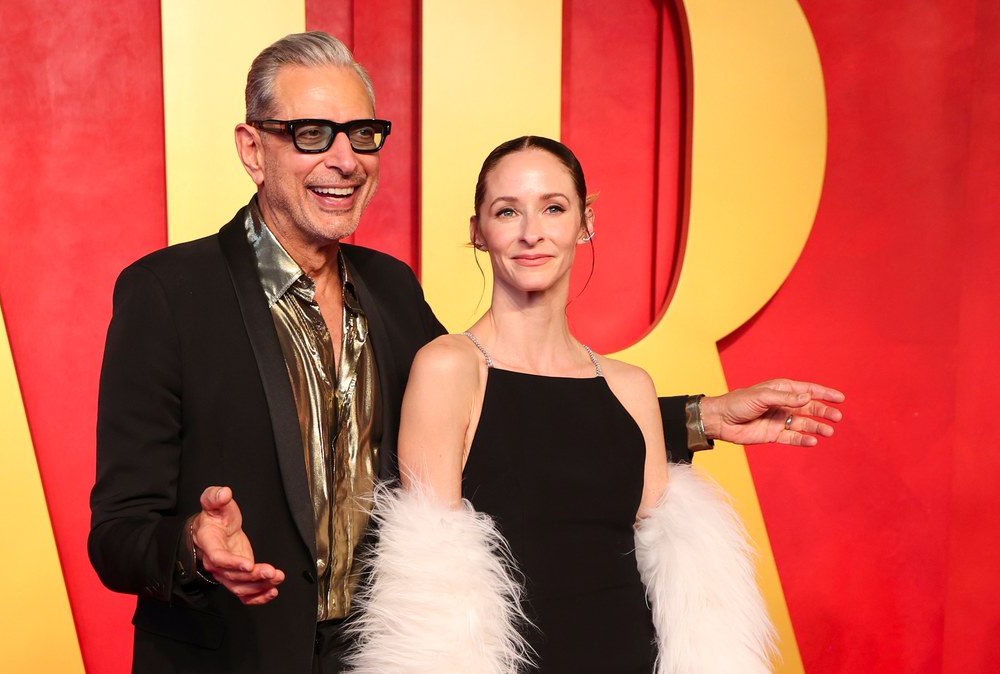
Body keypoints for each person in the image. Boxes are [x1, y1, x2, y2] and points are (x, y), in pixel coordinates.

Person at [88, 32, 842, 674]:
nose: (345, 159)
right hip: (235, 656)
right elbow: (118, 533)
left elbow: (508, 415)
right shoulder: (166, 294)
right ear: (253, 148)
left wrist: (698, 417)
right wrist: (194, 546)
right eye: (312, 134)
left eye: (362, 134)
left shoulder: (388, 289)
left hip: (375, 654)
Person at [346, 137, 777, 673]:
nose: (532, 233)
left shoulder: (629, 386)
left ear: (585, 222)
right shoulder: (449, 368)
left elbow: (666, 564)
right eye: (508, 211)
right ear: (478, 232)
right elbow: (430, 574)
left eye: (554, 207)